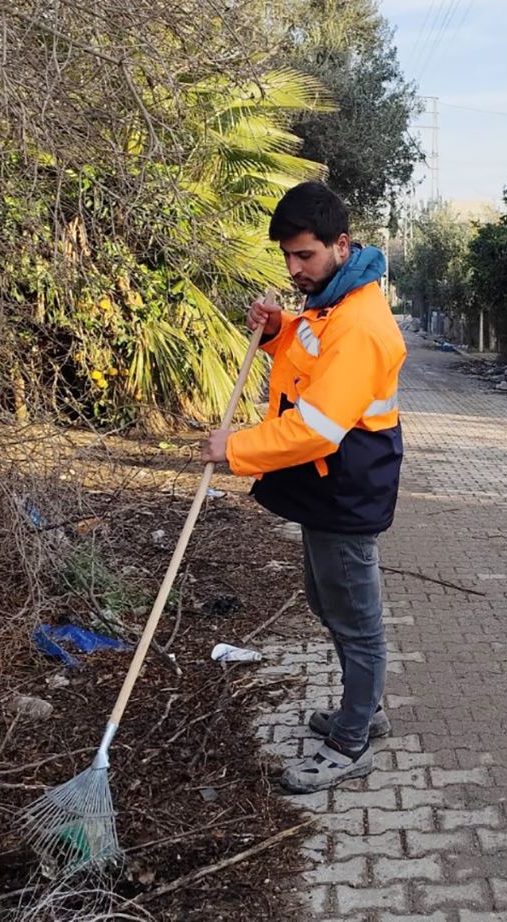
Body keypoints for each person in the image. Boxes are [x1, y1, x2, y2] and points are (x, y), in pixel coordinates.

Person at [200, 182, 406, 792]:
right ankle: (362, 710)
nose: (293, 270)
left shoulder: (362, 323)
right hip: (325, 487)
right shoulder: (331, 304)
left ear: (341, 246)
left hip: (346, 488)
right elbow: (310, 352)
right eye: (287, 258)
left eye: (305, 257)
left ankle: (352, 740)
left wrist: (233, 447)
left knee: (354, 619)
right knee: (328, 603)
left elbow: (317, 427)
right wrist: (277, 330)